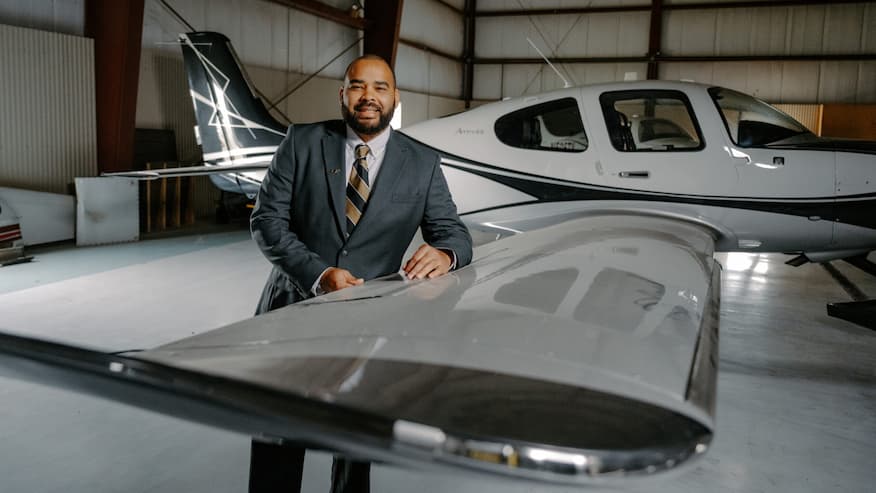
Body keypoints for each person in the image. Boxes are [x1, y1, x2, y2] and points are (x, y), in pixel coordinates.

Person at [248, 54, 473, 493]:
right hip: (293, 310)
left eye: (380, 87)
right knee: (278, 434)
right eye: (357, 85)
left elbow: (454, 233)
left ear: (395, 97)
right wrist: (318, 274)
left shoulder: (422, 162)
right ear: (343, 94)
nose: (368, 96)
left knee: (355, 447)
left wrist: (445, 253)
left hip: (372, 324)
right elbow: (267, 222)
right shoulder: (302, 141)